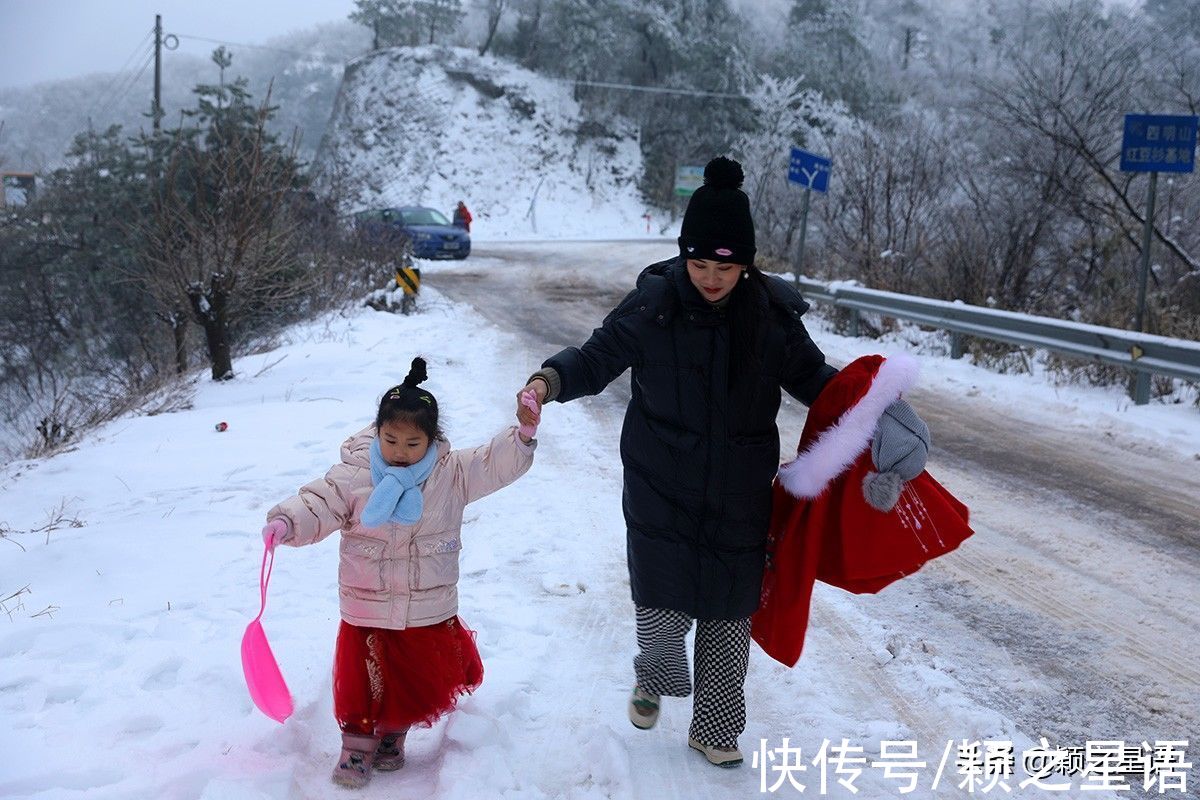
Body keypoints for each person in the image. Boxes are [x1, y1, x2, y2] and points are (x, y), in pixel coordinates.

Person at [515, 156, 930, 768]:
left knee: (729, 617)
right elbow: (596, 357)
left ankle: (715, 728)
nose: (711, 277)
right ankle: (653, 676)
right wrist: (546, 382)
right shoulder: (654, 305)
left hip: (741, 492)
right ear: (684, 256)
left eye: (726, 266)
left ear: (747, 262)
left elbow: (815, 379)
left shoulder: (771, 318)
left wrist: (873, 412)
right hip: (660, 483)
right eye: (700, 263)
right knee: (661, 609)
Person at [263, 357, 537, 788]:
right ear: (377, 433)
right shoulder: (354, 474)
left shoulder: (452, 474)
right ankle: (356, 746)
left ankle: (393, 733)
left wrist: (521, 436)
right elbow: (320, 501)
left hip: (425, 603)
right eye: (391, 440)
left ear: (431, 440)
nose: (400, 452)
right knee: (362, 676)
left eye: (413, 443)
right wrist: (288, 522)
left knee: (409, 677)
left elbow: (492, 463)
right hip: (366, 600)